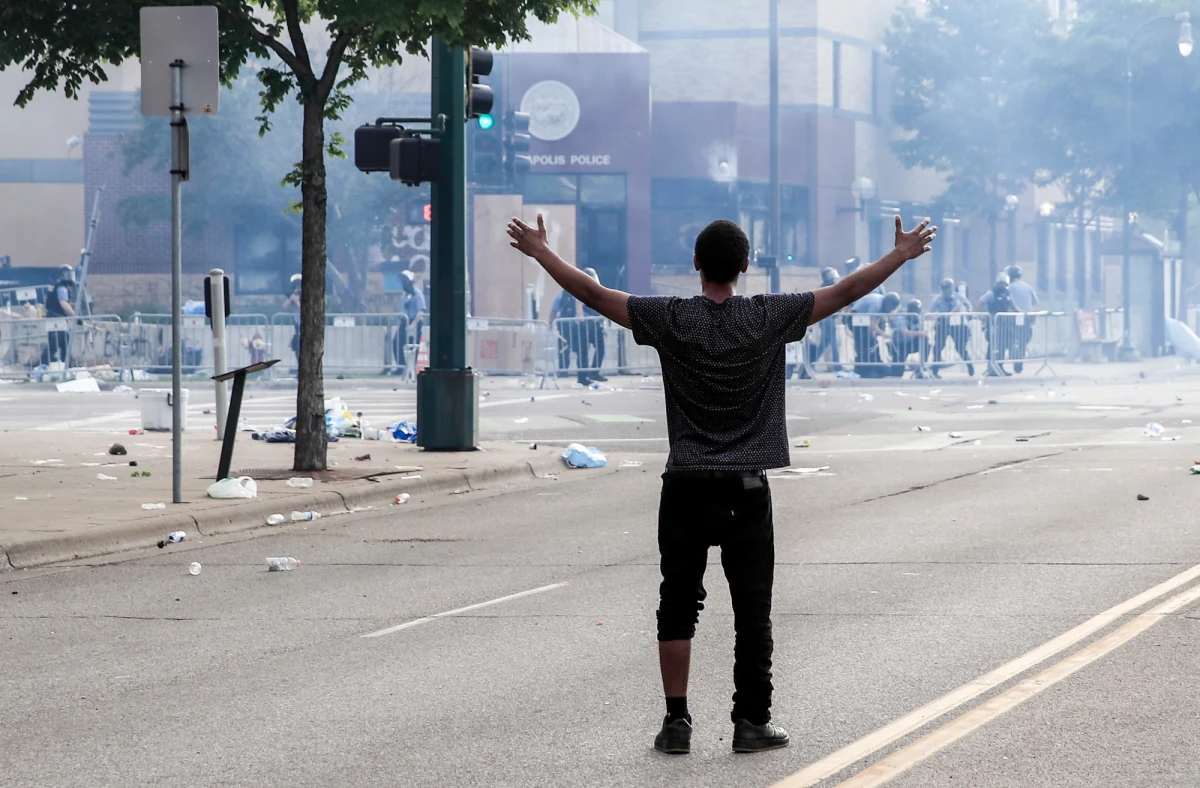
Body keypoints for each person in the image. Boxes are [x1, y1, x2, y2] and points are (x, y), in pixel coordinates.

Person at [506, 212, 936, 755]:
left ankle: (677, 721)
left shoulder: (670, 319)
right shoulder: (769, 317)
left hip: (685, 484)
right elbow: (847, 291)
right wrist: (899, 254)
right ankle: (752, 722)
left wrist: (543, 253)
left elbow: (592, 293)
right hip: (747, 490)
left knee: (677, 605)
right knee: (752, 611)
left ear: (696, 265)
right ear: (746, 266)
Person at [799, 267, 842, 376]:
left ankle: (811, 363)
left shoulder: (829, 287)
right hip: (827, 318)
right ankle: (837, 365)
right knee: (833, 343)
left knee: (825, 343)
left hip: (828, 317)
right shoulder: (826, 288)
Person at [928, 278, 975, 377]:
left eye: (947, 289)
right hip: (943, 324)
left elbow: (968, 306)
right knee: (938, 347)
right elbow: (931, 312)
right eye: (943, 289)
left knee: (960, 347)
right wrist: (934, 318)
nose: (946, 292)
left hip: (956, 324)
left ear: (952, 288)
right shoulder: (938, 299)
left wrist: (968, 313)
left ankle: (969, 364)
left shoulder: (959, 297)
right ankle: (935, 370)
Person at [849, 291, 901, 377]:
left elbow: (877, 318)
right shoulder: (876, 303)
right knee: (864, 343)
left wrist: (874, 331)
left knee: (872, 343)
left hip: (864, 319)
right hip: (856, 318)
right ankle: (864, 370)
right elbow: (871, 321)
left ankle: (876, 368)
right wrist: (882, 333)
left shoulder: (882, 304)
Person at [979, 278, 1020, 376]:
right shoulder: (990, 294)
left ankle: (1000, 367)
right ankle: (990, 368)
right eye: (1000, 283)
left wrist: (1023, 314)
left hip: (1004, 325)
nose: (1002, 286)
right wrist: (982, 318)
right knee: (992, 346)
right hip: (992, 324)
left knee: (1002, 347)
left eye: (1004, 283)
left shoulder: (1008, 295)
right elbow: (980, 303)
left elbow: (1014, 307)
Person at [549, 285, 589, 385]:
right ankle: (564, 371)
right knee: (565, 349)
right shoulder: (562, 293)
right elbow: (554, 309)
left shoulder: (570, 293)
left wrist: (550, 323)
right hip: (567, 326)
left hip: (572, 326)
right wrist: (549, 323)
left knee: (580, 350)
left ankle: (580, 375)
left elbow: (554, 309)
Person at [391, 271, 427, 376]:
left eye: (405, 281)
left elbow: (421, 311)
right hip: (404, 322)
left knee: (412, 347)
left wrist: (414, 324)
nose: (403, 284)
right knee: (397, 342)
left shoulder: (417, 294)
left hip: (414, 323)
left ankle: (411, 369)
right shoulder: (405, 295)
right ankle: (401, 367)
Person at [1005, 265, 1039, 373]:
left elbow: (1008, 302)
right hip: (1027, 317)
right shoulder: (1028, 287)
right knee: (1023, 341)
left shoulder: (1009, 288)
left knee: (1011, 338)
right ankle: (1020, 361)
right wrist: (1027, 310)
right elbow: (1035, 302)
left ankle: (1015, 357)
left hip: (1013, 318)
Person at [42, 264, 77, 366]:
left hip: (55, 317)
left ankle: (65, 364)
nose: (69, 277)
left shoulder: (59, 286)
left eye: (70, 274)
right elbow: (64, 304)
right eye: (67, 275)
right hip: (56, 318)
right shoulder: (62, 288)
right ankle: (42, 364)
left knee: (65, 341)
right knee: (55, 343)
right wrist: (75, 316)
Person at [889, 299, 930, 378]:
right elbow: (905, 332)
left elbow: (920, 331)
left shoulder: (918, 319)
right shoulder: (901, 318)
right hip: (899, 345)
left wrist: (924, 333)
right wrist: (920, 333)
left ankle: (920, 369)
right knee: (897, 373)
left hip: (910, 344)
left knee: (926, 343)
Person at [581, 268, 609, 382]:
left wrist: (602, 322)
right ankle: (584, 375)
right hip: (586, 324)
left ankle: (594, 372)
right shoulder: (581, 290)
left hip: (596, 324)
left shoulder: (596, 290)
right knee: (584, 350)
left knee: (601, 348)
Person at [283, 274, 302, 367]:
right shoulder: (294, 297)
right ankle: (299, 368)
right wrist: (292, 299)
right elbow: (285, 307)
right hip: (298, 325)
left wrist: (297, 301)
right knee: (297, 347)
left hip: (307, 326)